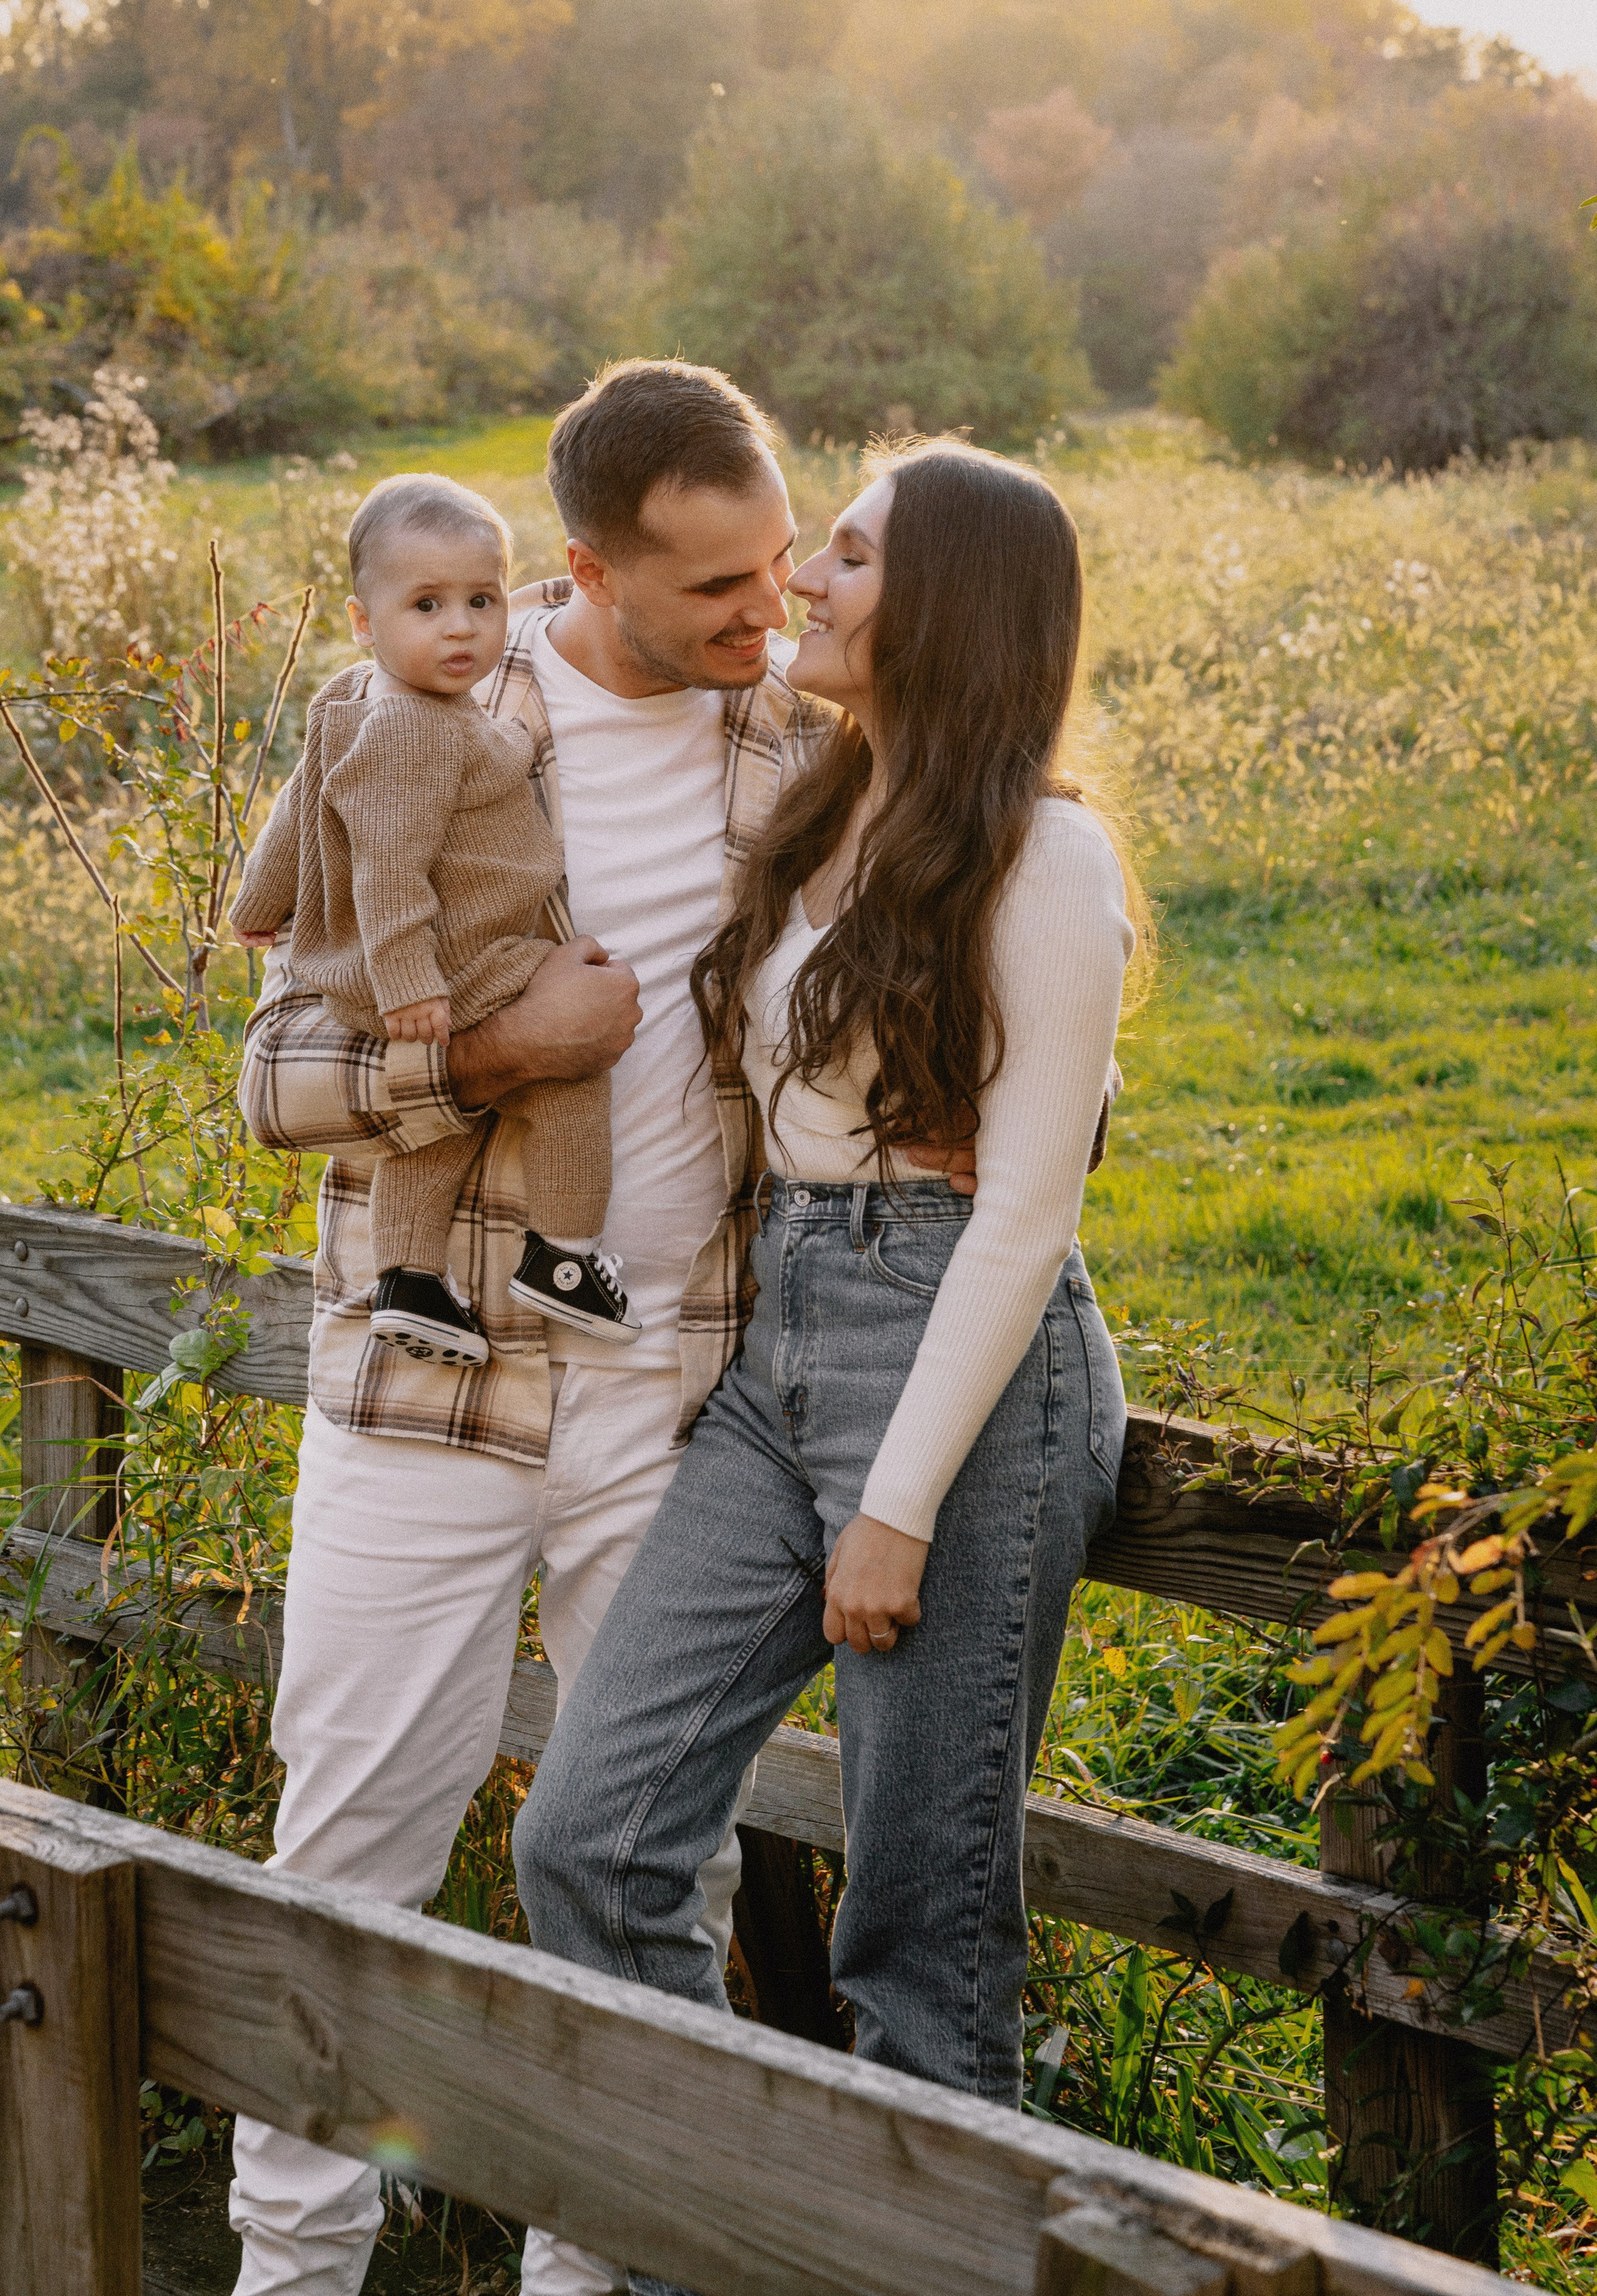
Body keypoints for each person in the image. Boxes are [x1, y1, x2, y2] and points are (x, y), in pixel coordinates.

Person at [228, 360, 840, 2296]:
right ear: (586, 568)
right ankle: (292, 2271)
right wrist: (500, 1050)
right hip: (433, 1385)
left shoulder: (805, 747)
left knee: (651, 1871)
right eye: (716, 587)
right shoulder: (416, 715)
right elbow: (275, 1079)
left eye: (778, 564)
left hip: (683, 1401)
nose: (767, 612)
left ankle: (593, 2272)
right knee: (348, 1854)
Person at [512, 444, 1143, 2292]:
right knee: (591, 1839)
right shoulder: (828, 798)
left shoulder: (1047, 852)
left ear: (945, 605)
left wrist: (899, 1506)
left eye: (847, 556)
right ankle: (713, 2249)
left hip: (962, 1380)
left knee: (920, 1952)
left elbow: (1023, 1213)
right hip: (783, 1341)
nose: (801, 582)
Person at [230, 471, 636, 1365]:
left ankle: (409, 1281)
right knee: (574, 1076)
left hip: (405, 969)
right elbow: (387, 867)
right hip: (457, 961)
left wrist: (259, 903)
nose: (460, 627)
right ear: (362, 620)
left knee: (441, 1118)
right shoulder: (418, 730)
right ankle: (563, 1257)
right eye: (426, 605)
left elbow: (300, 811)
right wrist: (411, 983)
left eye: (481, 601)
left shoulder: (349, 698)